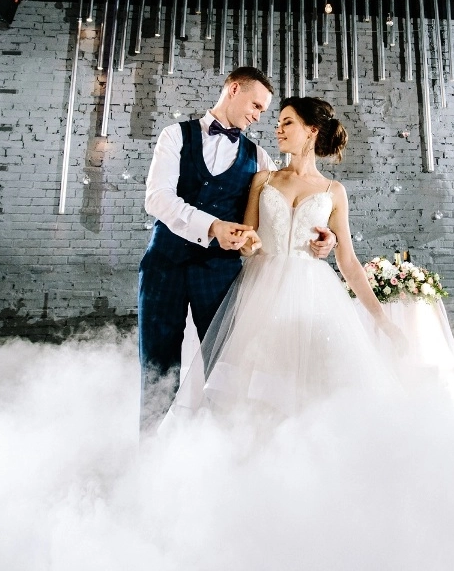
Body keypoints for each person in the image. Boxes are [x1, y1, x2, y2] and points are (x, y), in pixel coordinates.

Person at [174, 97, 408, 419]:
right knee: (254, 389)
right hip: (260, 293)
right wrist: (247, 243)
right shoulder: (264, 179)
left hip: (311, 294)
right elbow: (248, 244)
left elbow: (349, 263)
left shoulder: (333, 191)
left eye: (287, 122)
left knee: (309, 391)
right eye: (278, 123)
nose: (278, 129)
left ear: (311, 130)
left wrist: (382, 320)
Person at [139, 68, 336, 429]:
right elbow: (157, 198)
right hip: (163, 266)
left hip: (220, 275)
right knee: (156, 365)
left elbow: (286, 208)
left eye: (265, 111)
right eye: (256, 106)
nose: (259, 117)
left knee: (225, 371)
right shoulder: (175, 135)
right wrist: (213, 226)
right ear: (233, 89)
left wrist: (328, 237)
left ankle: (222, 450)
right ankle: (151, 449)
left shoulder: (259, 158)